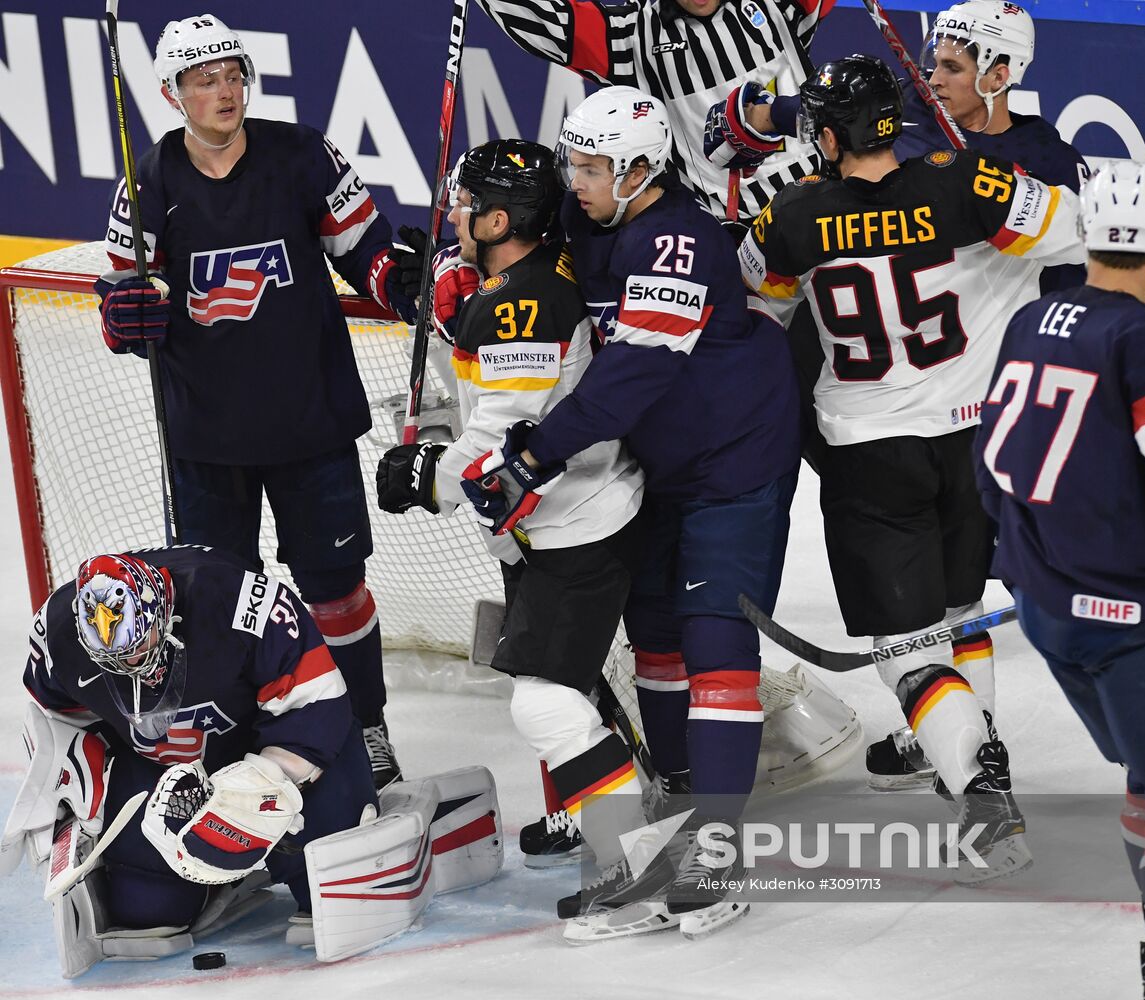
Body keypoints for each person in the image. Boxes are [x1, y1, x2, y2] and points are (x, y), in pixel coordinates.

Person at [739, 54, 1086, 881]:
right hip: (974, 441)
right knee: (960, 610)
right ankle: (970, 746)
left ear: (828, 134)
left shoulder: (787, 214)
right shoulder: (968, 184)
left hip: (867, 454)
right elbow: (1080, 225)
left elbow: (758, 305)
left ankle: (976, 783)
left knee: (908, 646)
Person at [470, 87, 800, 940]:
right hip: (657, 464)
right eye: (572, 162)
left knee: (714, 640)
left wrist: (536, 453)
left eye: (590, 167)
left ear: (640, 171)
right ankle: (679, 814)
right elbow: (511, 258)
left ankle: (716, 854)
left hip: (735, 458)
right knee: (654, 638)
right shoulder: (594, 223)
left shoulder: (678, 239)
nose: (574, 179)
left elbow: (636, 373)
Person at [94, 14, 425, 787]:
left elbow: (365, 248)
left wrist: (398, 281)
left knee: (336, 595)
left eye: (233, 74)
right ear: (172, 93)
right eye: (205, 80)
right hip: (206, 440)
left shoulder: (301, 155)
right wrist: (125, 318)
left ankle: (366, 725)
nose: (225, 91)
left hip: (311, 424)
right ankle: (242, 739)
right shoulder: (148, 184)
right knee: (219, 604)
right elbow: (121, 299)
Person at [373, 139, 671, 935]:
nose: (456, 214)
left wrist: (422, 473)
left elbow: (503, 444)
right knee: (572, 697)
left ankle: (641, 869)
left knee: (544, 706)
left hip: (573, 526)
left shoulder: (519, 304)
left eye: (468, 204)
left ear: (501, 218)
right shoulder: (528, 279)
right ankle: (649, 851)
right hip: (566, 522)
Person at [973, 161, 1145, 999]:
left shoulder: (1027, 320)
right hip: (1141, 618)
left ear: (1086, 239)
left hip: (1050, 609)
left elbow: (991, 469)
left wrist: (1026, 560)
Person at [10, 545, 377, 974]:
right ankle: (215, 878)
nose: (131, 668)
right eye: (113, 661)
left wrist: (265, 781)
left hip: (266, 753)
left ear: (164, 609)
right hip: (164, 776)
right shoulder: (56, 632)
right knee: (144, 907)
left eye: (139, 649)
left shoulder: (237, 599)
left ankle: (306, 839)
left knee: (325, 880)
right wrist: (73, 791)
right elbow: (56, 718)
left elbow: (316, 696)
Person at [473, 0, 837, 224]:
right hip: (739, 241)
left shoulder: (777, 4)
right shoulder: (633, 37)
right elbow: (550, 22)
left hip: (832, 205)